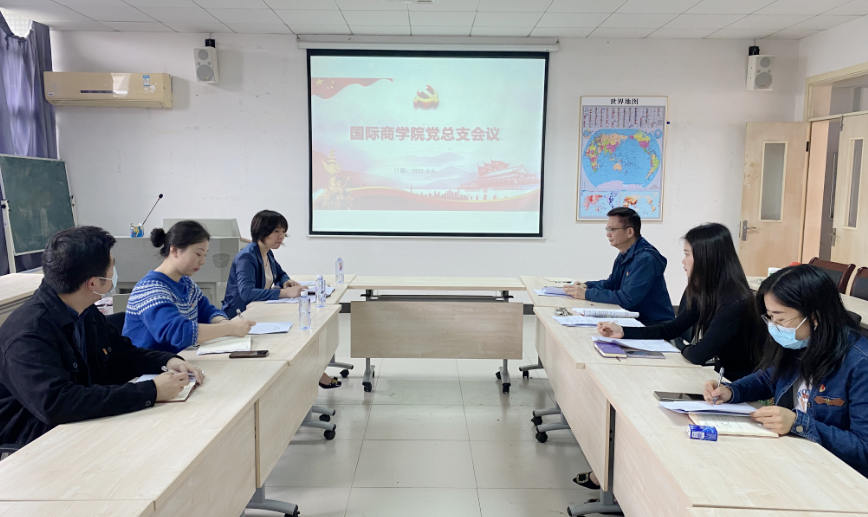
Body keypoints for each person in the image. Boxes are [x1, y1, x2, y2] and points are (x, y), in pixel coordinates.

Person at [0, 226, 202, 446]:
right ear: (93, 283)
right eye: (112, 265)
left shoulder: (84, 310)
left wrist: (167, 361)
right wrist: (150, 391)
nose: (114, 271)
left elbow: (123, 354)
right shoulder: (28, 334)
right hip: (37, 441)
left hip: (83, 422)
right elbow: (58, 404)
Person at [705, 265, 868, 477]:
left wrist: (798, 423)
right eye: (770, 317)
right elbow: (767, 379)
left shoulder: (860, 363)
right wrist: (731, 391)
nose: (774, 327)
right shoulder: (800, 341)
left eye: (780, 319)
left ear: (815, 317)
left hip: (838, 475)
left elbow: (863, 447)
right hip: (796, 457)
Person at [598, 223, 764, 380]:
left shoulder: (734, 302)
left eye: (687, 254)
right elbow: (672, 328)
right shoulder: (707, 292)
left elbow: (698, 355)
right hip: (721, 380)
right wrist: (623, 332)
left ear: (705, 258)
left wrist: (680, 347)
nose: (683, 261)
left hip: (738, 385)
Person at [222, 210, 340, 389]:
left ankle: (313, 374)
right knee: (294, 335)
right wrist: (285, 293)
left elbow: (280, 273)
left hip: (260, 312)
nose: (281, 236)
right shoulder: (247, 257)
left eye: (283, 232)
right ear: (261, 231)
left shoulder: (266, 253)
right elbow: (246, 293)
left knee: (300, 332)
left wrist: (286, 281)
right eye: (276, 231)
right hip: (240, 316)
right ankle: (312, 375)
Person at [123, 220, 255, 353]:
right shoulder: (151, 289)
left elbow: (207, 311)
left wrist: (223, 323)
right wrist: (230, 328)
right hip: (152, 364)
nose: (202, 261)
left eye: (205, 255)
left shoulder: (186, 283)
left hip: (179, 358)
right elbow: (179, 333)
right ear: (175, 250)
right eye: (198, 254)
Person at [565, 207, 673, 325]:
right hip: (633, 319)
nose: (608, 234)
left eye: (612, 229)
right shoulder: (625, 253)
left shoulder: (645, 259)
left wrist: (586, 294)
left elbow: (627, 299)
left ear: (629, 232)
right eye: (607, 229)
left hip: (652, 325)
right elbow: (612, 284)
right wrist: (586, 286)